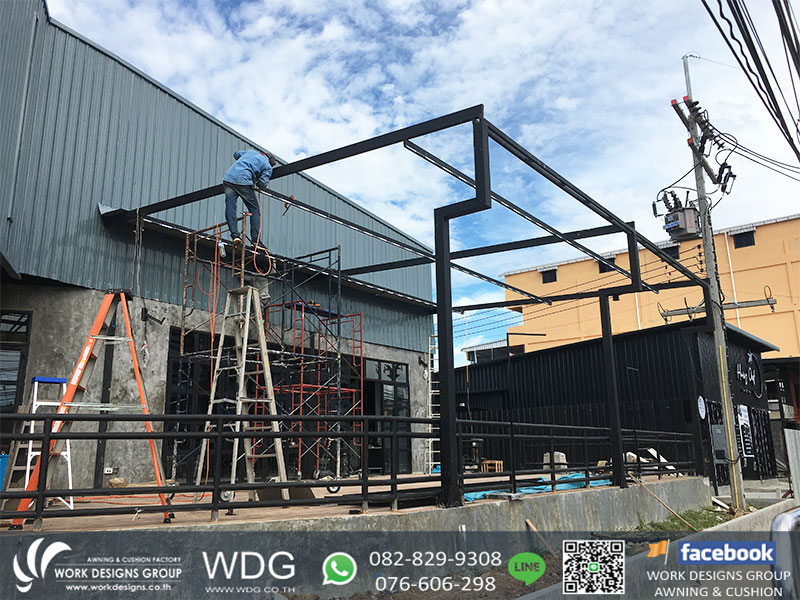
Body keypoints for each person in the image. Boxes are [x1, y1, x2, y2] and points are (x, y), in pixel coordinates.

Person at [222, 149, 276, 248]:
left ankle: (235, 235)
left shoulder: (251, 152)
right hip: (243, 181)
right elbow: (263, 184)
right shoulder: (267, 166)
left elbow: (236, 154)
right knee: (254, 210)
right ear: (271, 162)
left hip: (228, 179)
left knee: (230, 206)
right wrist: (257, 180)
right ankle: (255, 241)